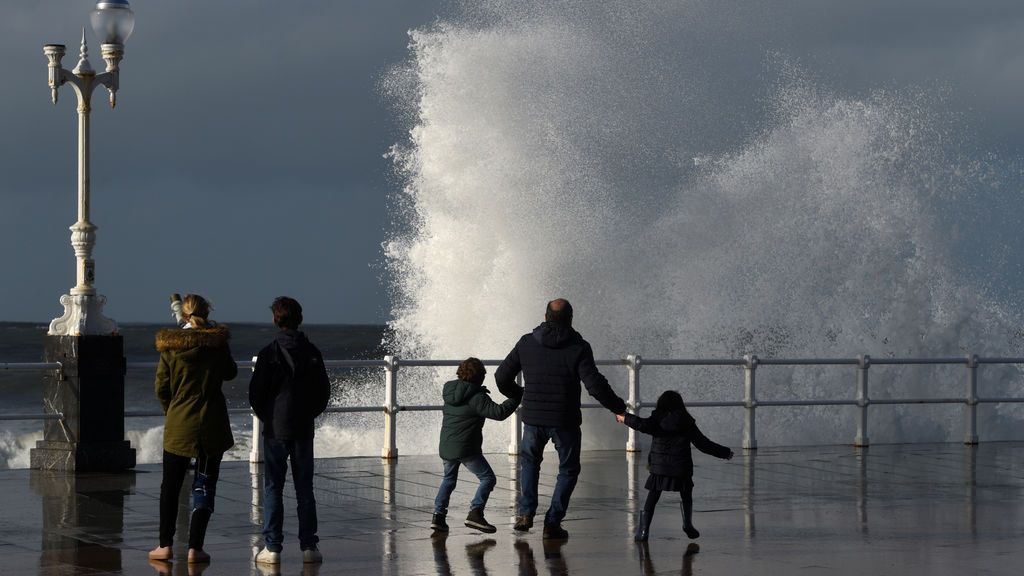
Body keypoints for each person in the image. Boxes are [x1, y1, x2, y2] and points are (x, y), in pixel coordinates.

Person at [494, 298, 628, 539]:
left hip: (533, 419)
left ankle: (525, 514)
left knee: (530, 464)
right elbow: (594, 385)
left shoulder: (527, 342)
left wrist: (520, 395)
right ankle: (552, 523)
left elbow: (501, 376)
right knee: (567, 470)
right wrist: (618, 407)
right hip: (564, 420)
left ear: (545, 317)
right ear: (570, 319)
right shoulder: (578, 346)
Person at [149, 294, 237, 564]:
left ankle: (164, 546)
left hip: (179, 425)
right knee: (205, 484)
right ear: (207, 312)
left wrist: (173, 412)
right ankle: (195, 548)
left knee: (171, 487)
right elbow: (230, 372)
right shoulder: (217, 345)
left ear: (184, 316)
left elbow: (161, 388)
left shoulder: (171, 347)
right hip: (212, 425)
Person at [249, 297, 331, 565]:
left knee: (273, 487)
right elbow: (323, 392)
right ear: (300, 319)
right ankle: (309, 547)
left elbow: (256, 394)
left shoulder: (268, 353)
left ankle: (272, 548)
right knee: (304, 488)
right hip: (303, 427)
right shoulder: (312, 352)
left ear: (275, 319)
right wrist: (309, 414)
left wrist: (268, 416)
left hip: (276, 428)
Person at [615, 390, 734, 541]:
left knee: (653, 496)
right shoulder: (686, 421)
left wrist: (625, 417)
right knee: (686, 495)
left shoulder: (657, 418)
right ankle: (687, 524)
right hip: (680, 467)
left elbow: (641, 425)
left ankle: (644, 531)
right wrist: (724, 452)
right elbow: (703, 444)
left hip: (660, 467)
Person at [432, 357, 521, 534]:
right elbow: (499, 412)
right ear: (480, 376)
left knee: (448, 480)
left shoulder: (450, 390)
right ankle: (475, 513)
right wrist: (516, 397)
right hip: (466, 448)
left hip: (446, 446)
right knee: (488, 478)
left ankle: (438, 517)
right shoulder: (477, 397)